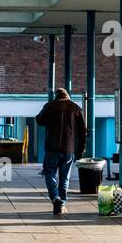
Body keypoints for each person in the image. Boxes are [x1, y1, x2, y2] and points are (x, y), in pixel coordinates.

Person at [35, 87, 86, 215]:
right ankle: (62, 203)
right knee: (64, 178)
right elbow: (83, 132)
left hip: (52, 147)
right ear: (67, 96)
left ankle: (55, 197)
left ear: (56, 97)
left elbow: (39, 120)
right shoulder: (76, 108)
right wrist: (80, 150)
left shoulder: (50, 106)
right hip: (69, 149)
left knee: (49, 173)